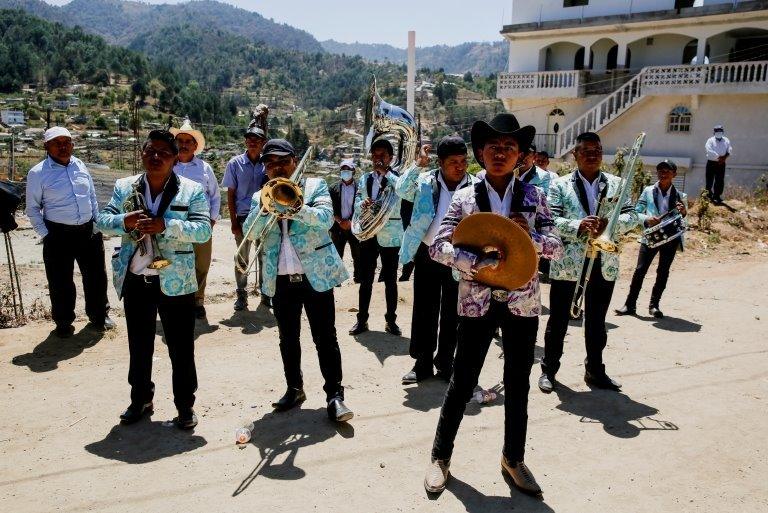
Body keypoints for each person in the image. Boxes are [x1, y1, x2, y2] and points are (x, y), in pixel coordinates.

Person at [423, 114, 563, 497]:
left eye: (510, 148)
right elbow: (439, 246)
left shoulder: (534, 197)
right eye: (493, 147)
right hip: (477, 302)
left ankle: (513, 460)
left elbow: (557, 246)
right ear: (481, 154)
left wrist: (528, 236)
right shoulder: (465, 198)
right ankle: (440, 457)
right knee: (462, 381)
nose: (501, 153)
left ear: (520, 156)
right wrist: (476, 261)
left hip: (522, 303)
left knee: (518, 384)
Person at [97, 130, 212, 429]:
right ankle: (140, 400)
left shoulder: (192, 189)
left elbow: (203, 231)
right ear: (142, 153)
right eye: (150, 150)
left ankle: (185, 406)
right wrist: (124, 221)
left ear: (175, 158)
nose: (156, 156)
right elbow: (101, 221)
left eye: (163, 152)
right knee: (139, 344)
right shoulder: (125, 187)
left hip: (176, 281)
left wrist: (166, 225)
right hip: (137, 278)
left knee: (181, 346)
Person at [241, 139, 353, 422]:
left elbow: (326, 218)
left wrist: (293, 205)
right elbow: (249, 232)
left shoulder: (314, 186)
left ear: (294, 161)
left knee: (325, 338)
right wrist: (265, 209)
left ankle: (335, 396)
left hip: (315, 275)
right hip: (280, 278)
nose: (276, 168)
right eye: (270, 164)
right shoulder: (260, 196)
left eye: (282, 162)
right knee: (287, 338)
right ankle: (294, 388)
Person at [538, 132, 639, 394]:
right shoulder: (559, 185)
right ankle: (548, 370)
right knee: (558, 321)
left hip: (603, 262)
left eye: (597, 150)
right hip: (569, 265)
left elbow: (633, 216)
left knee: (596, 322)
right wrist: (578, 226)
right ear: (575, 155)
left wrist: (611, 225)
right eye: (586, 151)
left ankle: (595, 370)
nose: (593, 155)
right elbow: (550, 221)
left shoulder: (618, 184)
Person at [394, 135, 476, 384]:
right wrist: (417, 165)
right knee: (424, 309)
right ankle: (422, 363)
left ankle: (446, 363)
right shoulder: (424, 180)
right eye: (453, 161)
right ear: (439, 162)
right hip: (427, 252)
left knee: (454, 312)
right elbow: (401, 189)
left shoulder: (475, 185)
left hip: (459, 257)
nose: (460, 166)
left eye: (463, 161)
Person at [25, 126, 114, 338]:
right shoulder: (38, 173)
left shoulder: (80, 165)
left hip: (88, 231)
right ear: (47, 146)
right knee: (60, 280)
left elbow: (92, 196)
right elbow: (32, 208)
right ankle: (63, 321)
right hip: (58, 234)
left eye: (67, 142)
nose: (63, 146)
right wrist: (46, 234)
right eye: (57, 143)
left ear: (73, 144)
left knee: (96, 277)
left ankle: (99, 315)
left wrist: (96, 223)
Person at [616, 160, 688, 319]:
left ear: (674, 175)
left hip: (670, 239)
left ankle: (654, 305)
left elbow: (684, 222)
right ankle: (630, 304)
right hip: (650, 237)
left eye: (667, 171)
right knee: (640, 270)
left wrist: (683, 213)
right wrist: (648, 219)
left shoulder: (681, 196)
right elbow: (636, 212)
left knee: (663, 272)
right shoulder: (648, 191)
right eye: (660, 170)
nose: (663, 173)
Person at [348, 139, 404, 336]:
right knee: (366, 280)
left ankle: (391, 321)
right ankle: (362, 320)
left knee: (390, 281)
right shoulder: (365, 179)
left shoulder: (398, 178)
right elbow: (356, 201)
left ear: (390, 158)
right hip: (369, 234)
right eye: (375, 156)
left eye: (382, 156)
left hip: (390, 237)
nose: (378, 159)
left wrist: (387, 174)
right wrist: (361, 204)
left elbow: (405, 191)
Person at [170, 119, 220, 319]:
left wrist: (212, 220)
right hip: (174, 224)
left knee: (201, 264)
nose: (183, 144)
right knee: (175, 261)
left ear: (195, 145)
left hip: (200, 224)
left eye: (187, 141)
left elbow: (215, 196)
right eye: (179, 140)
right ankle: (176, 298)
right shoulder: (168, 165)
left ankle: (198, 301)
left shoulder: (205, 169)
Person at [222, 123, 268, 311]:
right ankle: (242, 294)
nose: (252, 143)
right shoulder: (235, 163)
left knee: (265, 256)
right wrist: (233, 222)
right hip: (242, 217)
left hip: (264, 216)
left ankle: (266, 293)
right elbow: (230, 194)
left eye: (256, 140)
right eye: (249, 139)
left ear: (263, 142)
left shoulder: (268, 163)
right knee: (242, 257)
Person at [329, 159, 360, 283]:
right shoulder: (333, 188)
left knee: (358, 254)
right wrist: (340, 221)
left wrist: (351, 222)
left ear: (353, 171)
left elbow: (362, 208)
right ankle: (336, 281)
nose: (345, 172)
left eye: (348, 170)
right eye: (343, 170)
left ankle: (358, 278)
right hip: (338, 227)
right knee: (336, 254)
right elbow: (329, 207)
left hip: (355, 227)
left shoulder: (360, 187)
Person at [704, 125, 732, 204]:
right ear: (714, 132)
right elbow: (708, 150)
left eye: (720, 131)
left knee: (720, 180)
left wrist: (724, 158)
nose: (719, 133)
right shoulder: (710, 140)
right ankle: (708, 196)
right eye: (717, 131)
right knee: (709, 180)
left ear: (723, 132)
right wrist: (719, 157)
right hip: (711, 163)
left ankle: (717, 196)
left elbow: (729, 149)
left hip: (722, 163)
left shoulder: (726, 140)